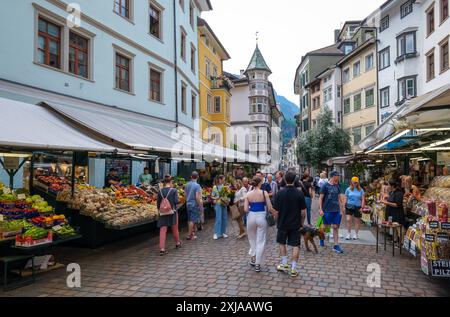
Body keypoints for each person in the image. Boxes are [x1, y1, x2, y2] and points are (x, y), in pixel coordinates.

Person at [274, 171, 307, 277]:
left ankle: (284, 264)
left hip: (282, 223)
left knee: (282, 243)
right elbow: (303, 212)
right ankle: (293, 269)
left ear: (284, 180)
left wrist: (277, 221)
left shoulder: (280, 193)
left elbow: (276, 211)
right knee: (296, 245)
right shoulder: (299, 193)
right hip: (295, 224)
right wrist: (301, 223)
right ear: (294, 180)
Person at [244, 176, 275, 273]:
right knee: (261, 240)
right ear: (259, 183)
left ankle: (253, 257)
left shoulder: (248, 194)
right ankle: (257, 263)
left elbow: (245, 209)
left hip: (251, 216)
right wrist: (274, 212)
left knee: (252, 239)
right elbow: (269, 207)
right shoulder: (264, 192)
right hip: (261, 216)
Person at [319, 171, 345, 254]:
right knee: (325, 227)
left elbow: (339, 198)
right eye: (338, 176)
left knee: (335, 227)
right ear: (334, 176)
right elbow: (320, 198)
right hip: (327, 210)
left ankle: (336, 245)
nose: (339, 177)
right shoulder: (325, 185)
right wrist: (320, 209)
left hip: (336, 210)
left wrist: (341, 209)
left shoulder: (337, 185)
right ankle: (321, 237)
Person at [157, 175, 182, 256]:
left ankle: (162, 249)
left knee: (163, 229)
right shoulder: (174, 190)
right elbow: (176, 201)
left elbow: (158, 204)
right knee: (174, 228)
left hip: (163, 213)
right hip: (172, 212)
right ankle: (177, 243)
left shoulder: (160, 191)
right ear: (171, 182)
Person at [185, 171, 203, 241]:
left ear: (191, 177)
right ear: (197, 177)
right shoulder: (197, 185)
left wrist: (187, 200)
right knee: (192, 220)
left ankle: (192, 233)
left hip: (188, 203)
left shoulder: (187, 184)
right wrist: (199, 204)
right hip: (194, 204)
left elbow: (185, 195)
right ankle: (189, 235)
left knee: (189, 219)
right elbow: (197, 196)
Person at [211, 175, 228, 240]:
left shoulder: (225, 187)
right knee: (218, 218)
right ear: (220, 180)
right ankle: (216, 233)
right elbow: (212, 196)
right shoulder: (215, 187)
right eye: (223, 179)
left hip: (224, 203)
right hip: (218, 204)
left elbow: (226, 195)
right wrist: (216, 198)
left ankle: (223, 232)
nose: (224, 180)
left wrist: (227, 199)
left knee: (224, 218)